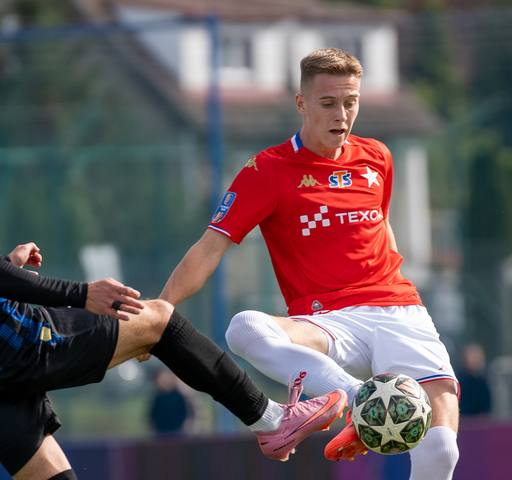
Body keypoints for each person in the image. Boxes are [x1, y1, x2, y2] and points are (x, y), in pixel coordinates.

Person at [160, 48, 460, 479]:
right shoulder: (267, 170)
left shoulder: (377, 157)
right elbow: (209, 248)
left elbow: (381, 227)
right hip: (326, 322)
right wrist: (161, 312)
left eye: (351, 102)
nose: (342, 114)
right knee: (244, 328)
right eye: (328, 103)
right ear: (301, 104)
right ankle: (359, 402)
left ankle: (365, 410)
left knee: (442, 450)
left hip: (398, 312)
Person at [0, 242, 346, 480]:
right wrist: (82, 294)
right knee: (158, 320)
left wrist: (8, 268)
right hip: (16, 345)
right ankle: (271, 420)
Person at [148, 369, 194, 436]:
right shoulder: (158, 397)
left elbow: (185, 413)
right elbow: (153, 414)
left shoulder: (179, 396)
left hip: (177, 431)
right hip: (161, 431)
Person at [456, 343, 492, 415]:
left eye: (477, 356)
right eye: (472, 356)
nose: (475, 359)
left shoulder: (483, 382)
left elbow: (486, 408)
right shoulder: (459, 381)